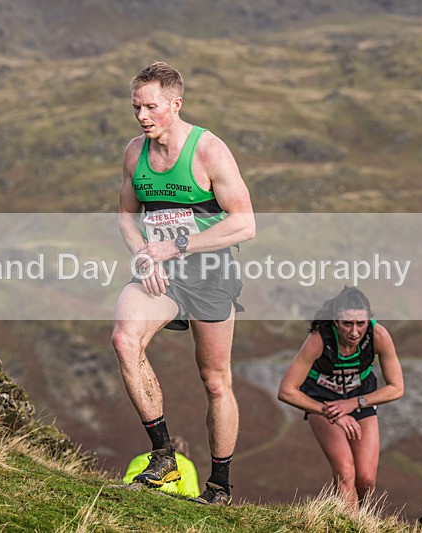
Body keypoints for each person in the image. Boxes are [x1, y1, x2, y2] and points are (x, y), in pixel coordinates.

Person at [111, 61, 256, 506]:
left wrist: (175, 246)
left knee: (215, 381)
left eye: (151, 107)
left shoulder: (208, 150)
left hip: (210, 274)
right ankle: (163, 456)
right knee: (124, 339)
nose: (142, 116)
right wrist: (144, 255)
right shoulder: (135, 153)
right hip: (161, 275)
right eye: (136, 107)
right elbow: (126, 218)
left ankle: (219, 487)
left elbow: (245, 224)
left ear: (176, 104)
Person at [277, 286, 404, 511]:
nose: (354, 332)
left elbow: (397, 388)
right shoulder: (319, 339)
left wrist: (354, 403)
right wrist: (331, 412)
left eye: (360, 323)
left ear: (369, 320)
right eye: (347, 324)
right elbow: (286, 390)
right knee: (346, 473)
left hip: (359, 399)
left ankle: (364, 522)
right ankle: (348, 523)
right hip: (323, 401)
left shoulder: (379, 336)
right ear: (335, 321)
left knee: (366, 479)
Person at [123, 436, 201, 498]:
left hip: (130, 489)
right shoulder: (185, 463)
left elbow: (126, 479)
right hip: (164, 493)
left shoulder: (139, 458)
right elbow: (189, 492)